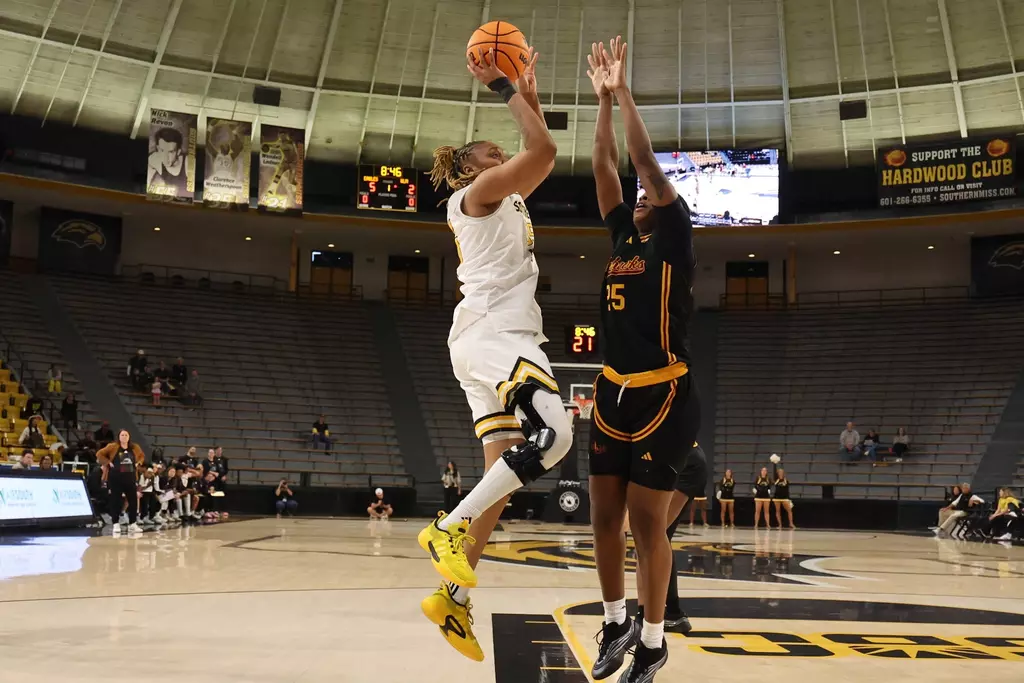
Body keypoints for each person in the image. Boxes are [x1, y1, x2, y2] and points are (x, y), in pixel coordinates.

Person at [418, 46, 573, 664]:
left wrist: (528, 91)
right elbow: (545, 152)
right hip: (496, 334)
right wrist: (502, 85)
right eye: (489, 151)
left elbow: (533, 156)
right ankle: (446, 528)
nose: (499, 155)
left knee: (499, 483)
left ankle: (451, 598)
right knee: (557, 439)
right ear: (466, 168)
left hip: (485, 337)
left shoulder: (501, 193)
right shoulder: (477, 194)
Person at [585, 37, 700, 682]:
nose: (636, 195)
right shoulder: (623, 235)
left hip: (665, 395)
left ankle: (653, 642)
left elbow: (640, 161)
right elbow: (605, 163)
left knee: (645, 524)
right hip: (610, 390)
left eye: (646, 195)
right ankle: (613, 621)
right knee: (602, 516)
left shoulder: (676, 234)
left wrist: (624, 91)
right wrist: (599, 102)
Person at [96, 429, 145, 534]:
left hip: (130, 477)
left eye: (126, 435)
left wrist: (138, 463)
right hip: (116, 477)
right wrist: (108, 462)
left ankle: (132, 524)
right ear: (119, 437)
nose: (124, 437)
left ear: (129, 437)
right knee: (115, 501)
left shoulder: (135, 447)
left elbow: (141, 456)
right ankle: (116, 523)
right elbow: (99, 454)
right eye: (122, 435)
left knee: (133, 501)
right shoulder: (112, 446)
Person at [148, 127, 189, 195]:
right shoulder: (154, 159)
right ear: (158, 148)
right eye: (162, 150)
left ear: (178, 152)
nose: (165, 157)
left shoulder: (188, 164)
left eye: (170, 152)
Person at [772, 461, 795, 529]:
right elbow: (773, 472)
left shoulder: (786, 480)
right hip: (777, 498)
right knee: (778, 511)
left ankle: (791, 523)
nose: (780, 473)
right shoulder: (776, 480)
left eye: (782, 472)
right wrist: (774, 464)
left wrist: (789, 499)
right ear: (778, 473)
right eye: (779, 472)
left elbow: (787, 490)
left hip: (785, 498)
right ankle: (780, 525)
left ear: (783, 473)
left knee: (789, 510)